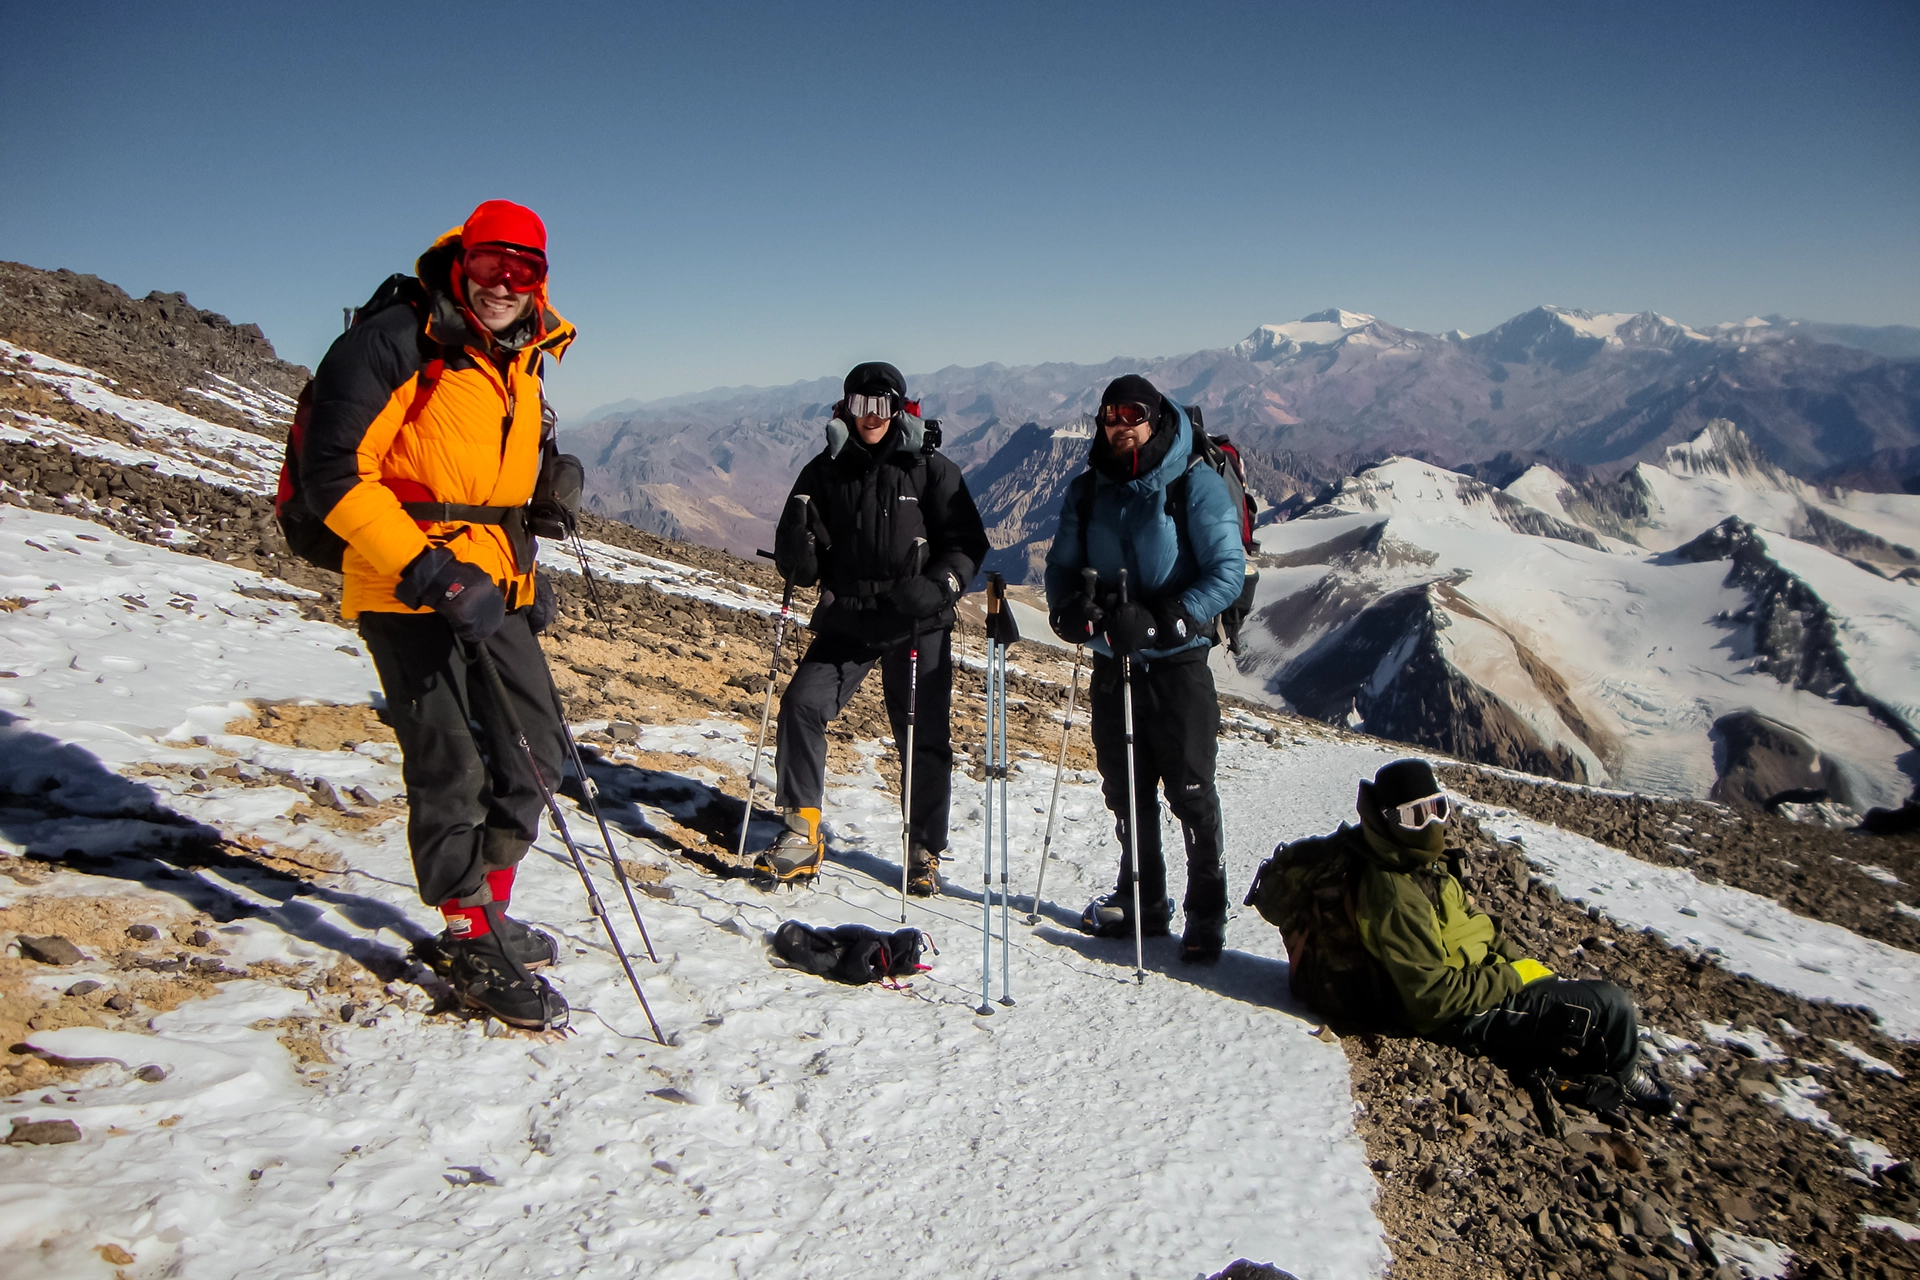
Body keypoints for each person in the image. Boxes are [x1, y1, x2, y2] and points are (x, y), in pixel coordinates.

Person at [302, 199, 577, 1029]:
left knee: (538, 756)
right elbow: (335, 475)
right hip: (406, 586)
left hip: (498, 585)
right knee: (450, 764)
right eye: (490, 265)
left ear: (539, 280)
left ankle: (488, 908)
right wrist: (433, 573)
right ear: (462, 259)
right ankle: (464, 932)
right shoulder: (394, 340)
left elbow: (488, 463)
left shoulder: (520, 353)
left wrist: (543, 495)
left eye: (521, 270)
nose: (503, 285)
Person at [1255, 758, 1672, 1114]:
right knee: (1612, 1006)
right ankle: (1624, 1077)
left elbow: (1472, 925)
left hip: (1474, 978)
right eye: (1416, 816)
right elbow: (1432, 1000)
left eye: (1438, 809)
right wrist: (1514, 978)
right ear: (1387, 821)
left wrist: (1514, 962)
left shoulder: (1410, 860)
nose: (1432, 823)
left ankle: (1592, 1052)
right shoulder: (1393, 893)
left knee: (1570, 998)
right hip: (1462, 1012)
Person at [1043, 375, 1247, 964]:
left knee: (1189, 791)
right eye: (1109, 415)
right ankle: (1144, 902)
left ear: (1156, 419)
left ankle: (1207, 913)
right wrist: (1070, 613)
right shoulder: (1089, 491)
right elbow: (1061, 567)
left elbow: (1226, 573)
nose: (1119, 424)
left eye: (1132, 414)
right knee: (1127, 792)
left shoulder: (1194, 484)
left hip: (1177, 663)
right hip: (1114, 661)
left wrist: (1164, 623)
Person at [764, 362, 989, 891]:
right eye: (861, 405)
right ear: (845, 407)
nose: (871, 416)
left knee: (921, 733)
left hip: (917, 619)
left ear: (900, 409)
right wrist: (797, 555)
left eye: (882, 405)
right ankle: (802, 828)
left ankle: (924, 849)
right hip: (850, 617)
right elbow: (799, 550)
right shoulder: (824, 470)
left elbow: (966, 544)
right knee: (802, 704)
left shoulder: (930, 469)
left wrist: (940, 587)